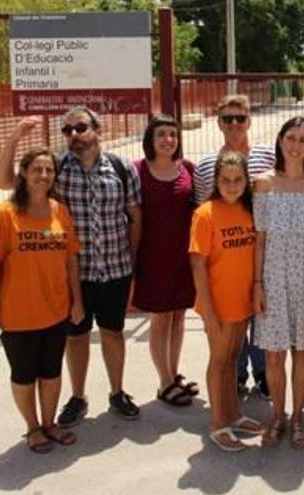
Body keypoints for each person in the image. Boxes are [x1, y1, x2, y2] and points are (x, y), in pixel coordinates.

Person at [0, 107, 144, 426]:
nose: (74, 135)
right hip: (73, 274)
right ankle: (78, 396)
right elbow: (4, 180)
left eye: (80, 128)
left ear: (97, 130)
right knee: (76, 337)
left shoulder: (121, 167)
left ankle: (117, 392)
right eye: (67, 130)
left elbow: (135, 216)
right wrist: (15, 137)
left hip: (115, 268)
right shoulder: (57, 168)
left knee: (113, 333)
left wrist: (132, 259)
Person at [0, 148, 84, 452]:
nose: (43, 175)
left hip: (55, 309)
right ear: (23, 173)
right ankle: (32, 427)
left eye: (49, 170)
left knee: (51, 371)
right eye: (37, 169)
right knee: (24, 374)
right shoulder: (4, 214)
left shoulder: (59, 211)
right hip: (17, 314)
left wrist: (76, 301)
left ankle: (50, 423)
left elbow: (71, 260)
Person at [252, 117, 304, 449]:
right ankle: (278, 416)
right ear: (280, 140)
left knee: (302, 352)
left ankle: (298, 416)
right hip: (272, 276)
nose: (296, 144)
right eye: (291, 137)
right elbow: (259, 239)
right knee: (273, 355)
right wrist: (257, 283)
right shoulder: (263, 183)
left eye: (302, 139)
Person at [192, 94, 276, 400]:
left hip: (263, 250)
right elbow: (203, 210)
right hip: (226, 256)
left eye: (240, 118)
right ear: (218, 123)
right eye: (227, 118)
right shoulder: (205, 166)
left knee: (260, 315)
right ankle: (237, 375)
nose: (234, 124)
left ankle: (263, 372)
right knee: (231, 319)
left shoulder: (268, 156)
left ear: (250, 120)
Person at [189, 150, 264, 452]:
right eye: (225, 180)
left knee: (232, 360)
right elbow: (197, 265)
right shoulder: (205, 214)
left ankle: (233, 415)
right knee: (218, 362)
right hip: (217, 305)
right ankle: (217, 424)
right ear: (216, 181)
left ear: (246, 181)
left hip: (241, 302)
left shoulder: (249, 210)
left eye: (237, 180)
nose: (231, 185)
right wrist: (208, 312)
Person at [133, 114, 198, 407]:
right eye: (161, 134)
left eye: (173, 134)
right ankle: (163, 382)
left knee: (179, 316)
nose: (168, 140)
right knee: (160, 320)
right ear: (151, 138)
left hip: (183, 257)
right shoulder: (137, 171)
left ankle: (174, 374)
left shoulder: (187, 169)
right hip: (153, 258)